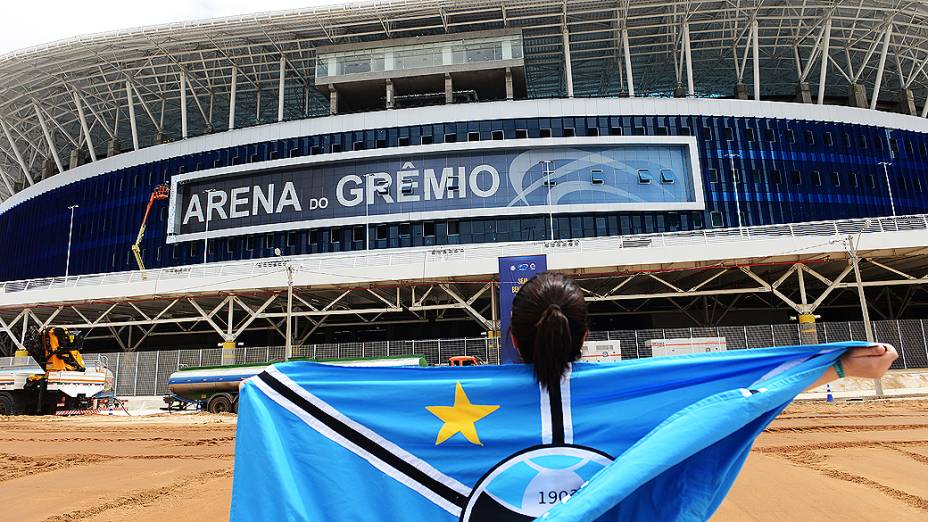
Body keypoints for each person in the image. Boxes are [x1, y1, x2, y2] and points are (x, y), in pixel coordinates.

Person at [509, 271, 898, 390]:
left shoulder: (458, 402)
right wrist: (843, 367)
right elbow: (744, 394)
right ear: (584, 337)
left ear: (512, 339)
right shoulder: (636, 386)